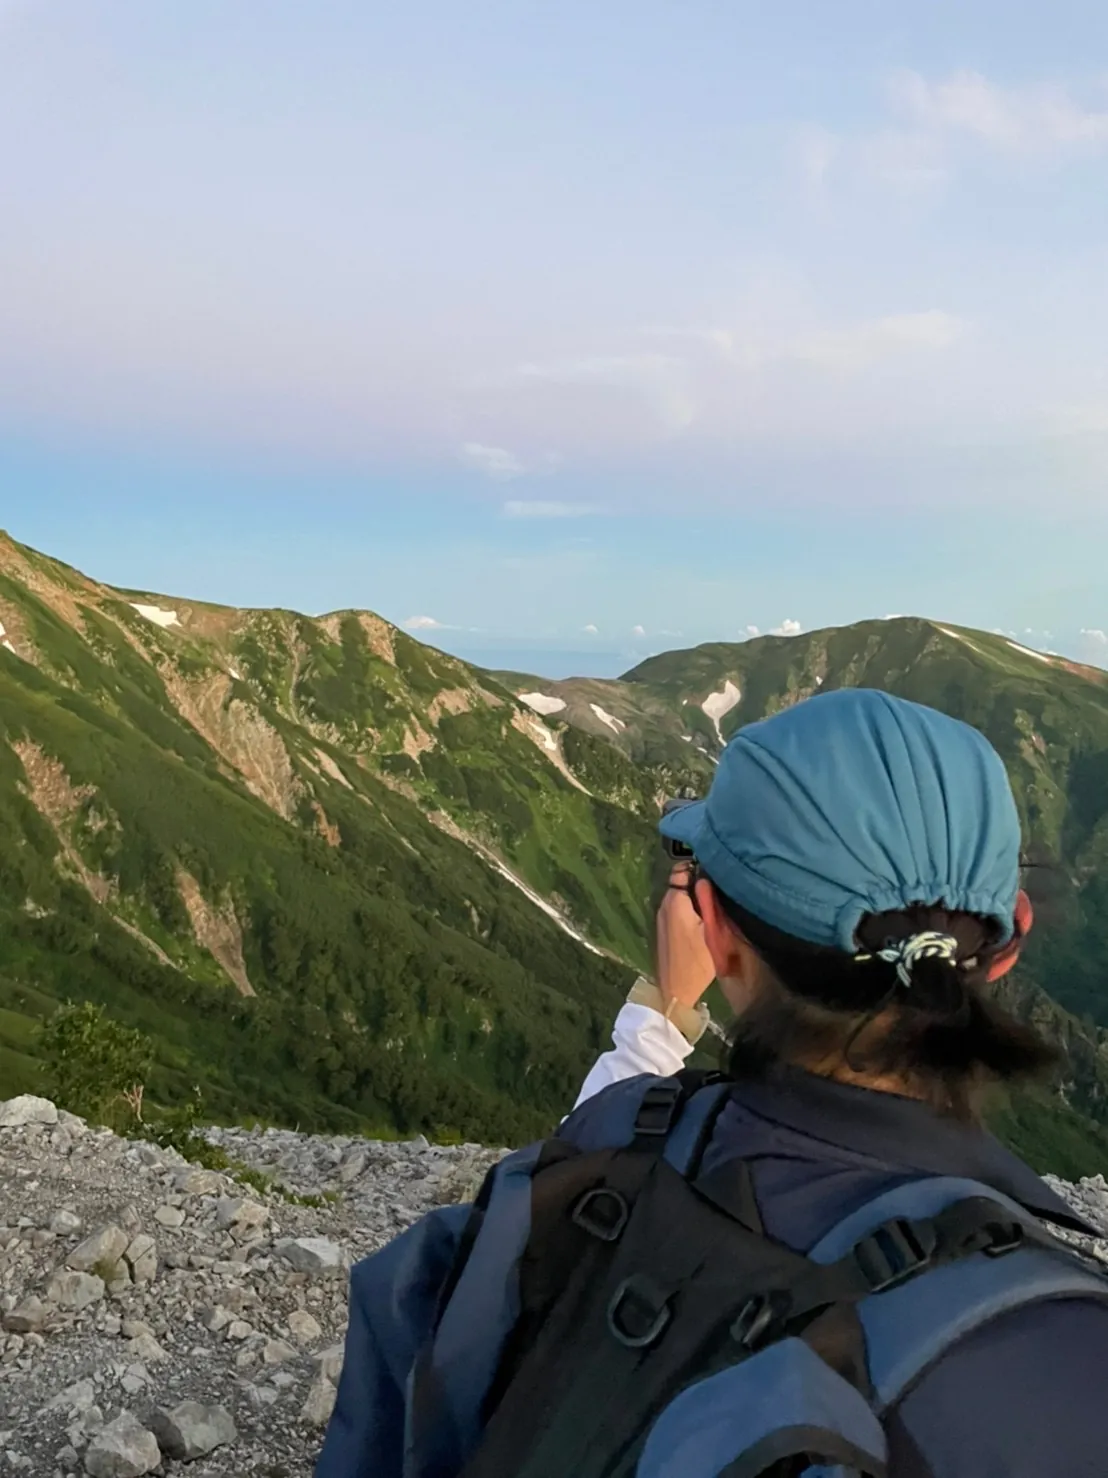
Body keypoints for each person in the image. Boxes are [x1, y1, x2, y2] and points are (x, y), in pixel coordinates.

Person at [316, 687, 1108, 1478]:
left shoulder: (604, 1150)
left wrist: (663, 1012)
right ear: (1008, 942)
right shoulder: (1064, 1350)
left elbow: (586, 1158)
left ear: (718, 935)